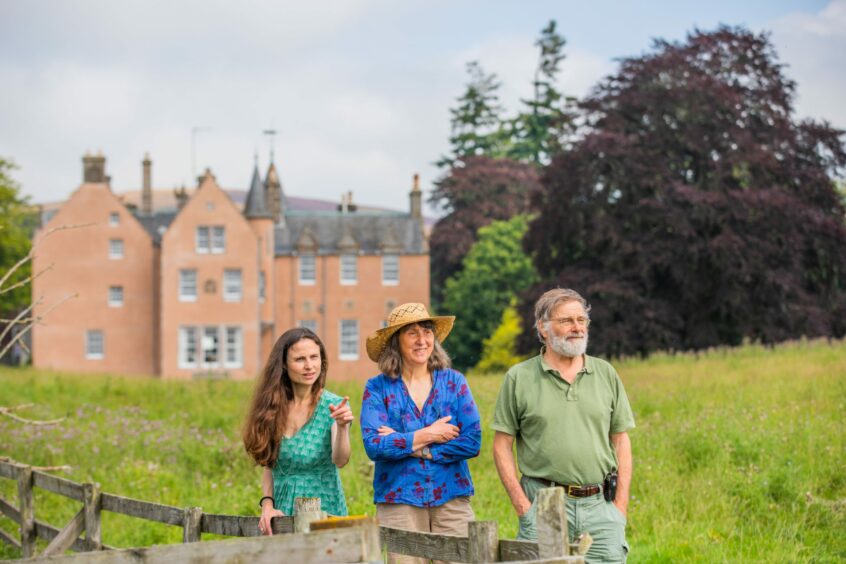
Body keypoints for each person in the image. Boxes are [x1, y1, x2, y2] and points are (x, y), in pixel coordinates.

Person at [492, 288, 635, 563]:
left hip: (601, 506)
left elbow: (621, 440)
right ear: (543, 328)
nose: (577, 327)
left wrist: (620, 507)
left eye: (582, 320)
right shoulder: (519, 378)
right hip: (543, 503)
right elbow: (501, 447)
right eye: (566, 320)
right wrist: (524, 507)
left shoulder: (605, 373)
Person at [360, 303, 481, 564]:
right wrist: (430, 433)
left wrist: (412, 445)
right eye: (412, 333)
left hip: (451, 499)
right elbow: (375, 445)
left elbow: (472, 442)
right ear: (396, 341)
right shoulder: (377, 388)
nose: (422, 340)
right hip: (399, 501)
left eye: (426, 331)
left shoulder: (454, 382)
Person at [243, 327, 354, 535]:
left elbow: (340, 459)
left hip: (324, 511)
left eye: (314, 357)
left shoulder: (333, 405)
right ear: (284, 364)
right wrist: (267, 505)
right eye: (300, 359)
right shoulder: (272, 408)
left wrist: (342, 428)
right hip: (281, 512)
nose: (309, 366)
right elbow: (269, 466)